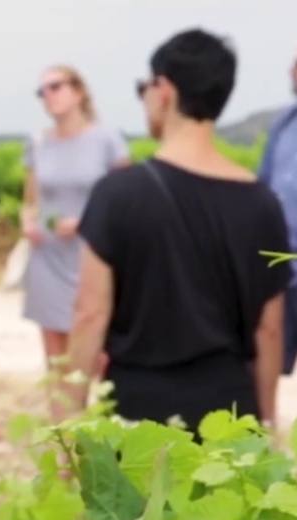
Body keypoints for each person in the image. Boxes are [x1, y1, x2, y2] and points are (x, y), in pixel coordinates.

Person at [67, 29, 290, 431]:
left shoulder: (118, 193)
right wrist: (268, 420)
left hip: (139, 415)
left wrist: (67, 424)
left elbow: (89, 313)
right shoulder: (262, 203)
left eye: (143, 88)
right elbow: (269, 328)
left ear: (164, 90)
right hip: (229, 416)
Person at [21, 66, 130, 421]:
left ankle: (99, 441)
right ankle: (63, 448)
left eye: (54, 86)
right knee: (56, 363)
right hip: (47, 258)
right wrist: (28, 221)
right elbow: (31, 198)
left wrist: (86, 223)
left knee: (97, 357)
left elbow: (127, 202)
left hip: (91, 259)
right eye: (42, 91)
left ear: (79, 91)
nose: (47, 95)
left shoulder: (107, 140)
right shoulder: (38, 143)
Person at [258, 56, 297, 374]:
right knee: (272, 360)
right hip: (282, 265)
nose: (291, 71)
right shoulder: (284, 123)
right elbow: (264, 186)